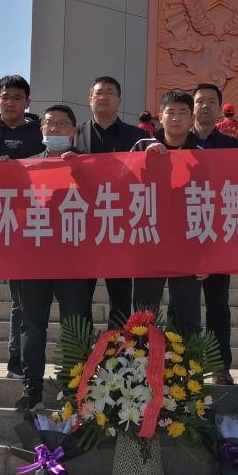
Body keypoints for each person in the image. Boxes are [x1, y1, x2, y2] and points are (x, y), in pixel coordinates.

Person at [16, 104, 95, 411]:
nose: (56, 129)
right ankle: (31, 388)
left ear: (74, 131)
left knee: (75, 324)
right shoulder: (25, 167)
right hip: (33, 259)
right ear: (41, 130)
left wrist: (81, 171)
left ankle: (75, 389)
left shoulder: (88, 164)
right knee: (32, 326)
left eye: (63, 124)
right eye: (50, 124)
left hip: (74, 260)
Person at [0, 75, 45, 380]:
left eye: (17, 97)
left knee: (20, 299)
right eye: (5, 96)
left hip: (26, 223)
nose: (11, 102)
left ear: (27, 102)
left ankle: (16, 358)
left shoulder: (39, 134)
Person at [72, 76, 147, 325]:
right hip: (83, 226)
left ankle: (119, 358)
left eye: (109, 92)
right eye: (98, 92)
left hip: (120, 225)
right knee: (80, 298)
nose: (103, 96)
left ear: (119, 100)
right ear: (90, 100)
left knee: (121, 299)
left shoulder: (138, 136)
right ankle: (82, 358)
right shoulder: (74, 135)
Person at [130, 90, 204, 335]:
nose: (176, 118)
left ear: (192, 119)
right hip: (149, 241)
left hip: (188, 244)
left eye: (183, 113)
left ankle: (187, 370)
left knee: (187, 314)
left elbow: (211, 201)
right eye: (170, 112)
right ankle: (139, 368)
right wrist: (144, 161)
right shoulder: (143, 146)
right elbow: (124, 184)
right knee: (143, 313)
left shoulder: (202, 154)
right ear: (160, 117)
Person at [191, 83, 238, 384]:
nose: (206, 107)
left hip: (218, 234)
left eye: (212, 102)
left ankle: (219, 366)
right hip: (185, 237)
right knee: (182, 307)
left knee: (218, 306)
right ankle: (184, 364)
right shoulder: (177, 143)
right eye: (200, 101)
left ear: (220, 107)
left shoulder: (231, 145)